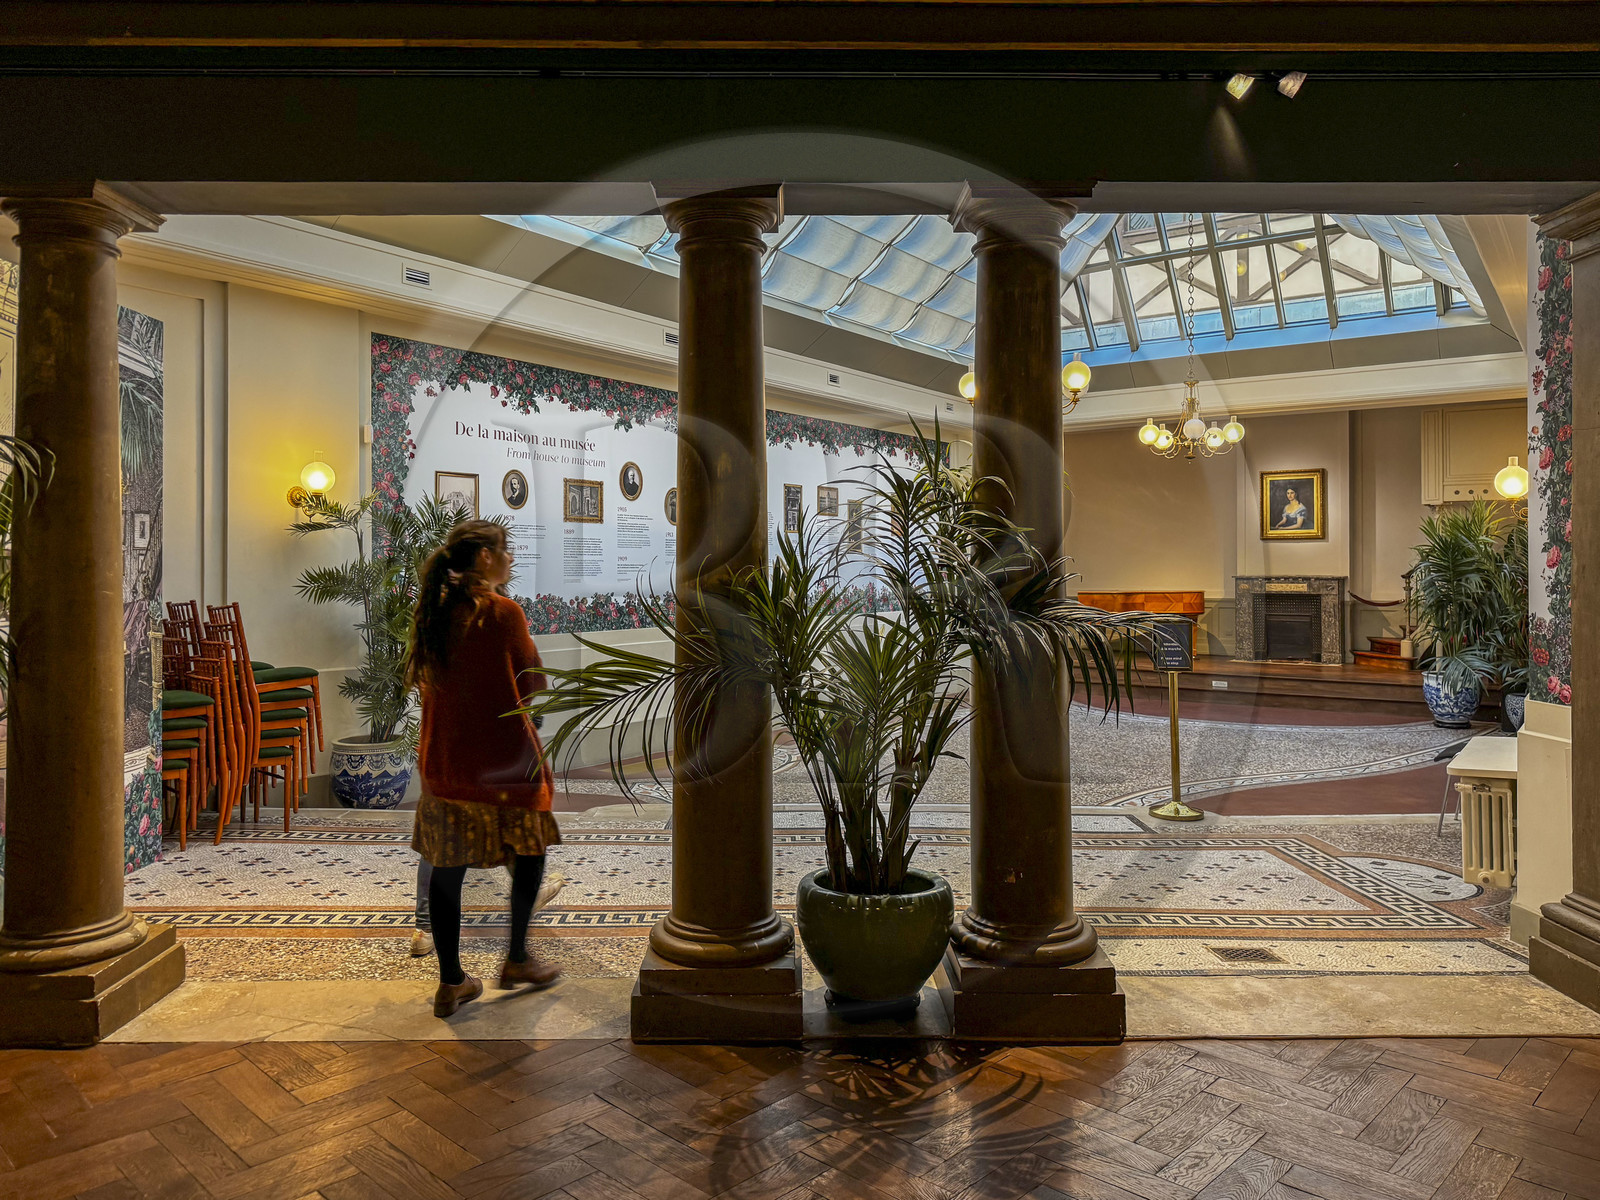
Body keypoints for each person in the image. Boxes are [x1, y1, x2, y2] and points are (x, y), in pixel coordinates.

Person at [405, 519, 564, 1016]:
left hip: (447, 764)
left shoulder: (436, 611)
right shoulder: (502, 613)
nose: (512, 559)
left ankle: (451, 981)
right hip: (503, 765)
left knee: (447, 869)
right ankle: (516, 956)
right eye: (506, 550)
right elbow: (533, 681)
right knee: (531, 853)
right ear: (485, 559)